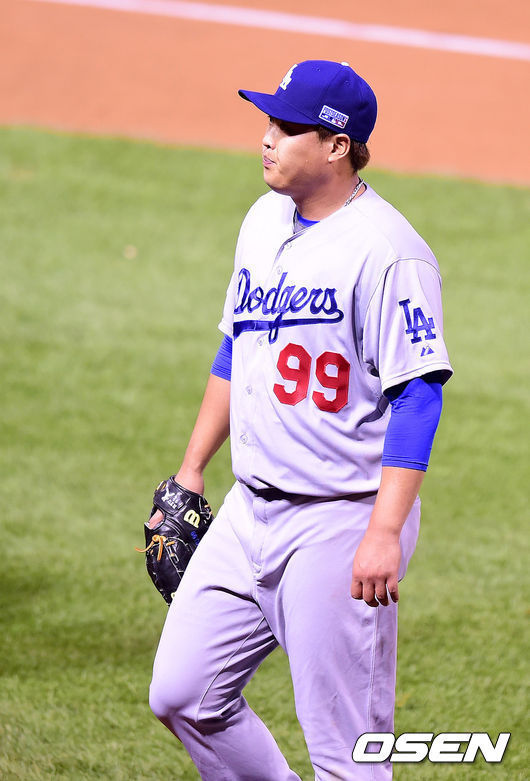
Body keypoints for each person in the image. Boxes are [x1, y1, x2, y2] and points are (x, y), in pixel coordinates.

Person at [147, 60, 453, 780]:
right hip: (248, 512)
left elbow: (419, 395)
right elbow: (237, 346)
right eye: (268, 122)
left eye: (287, 128)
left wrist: (384, 532)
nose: (267, 138)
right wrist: (191, 470)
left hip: (339, 520)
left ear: (338, 145)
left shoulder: (389, 253)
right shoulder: (262, 221)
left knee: (347, 755)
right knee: (185, 695)